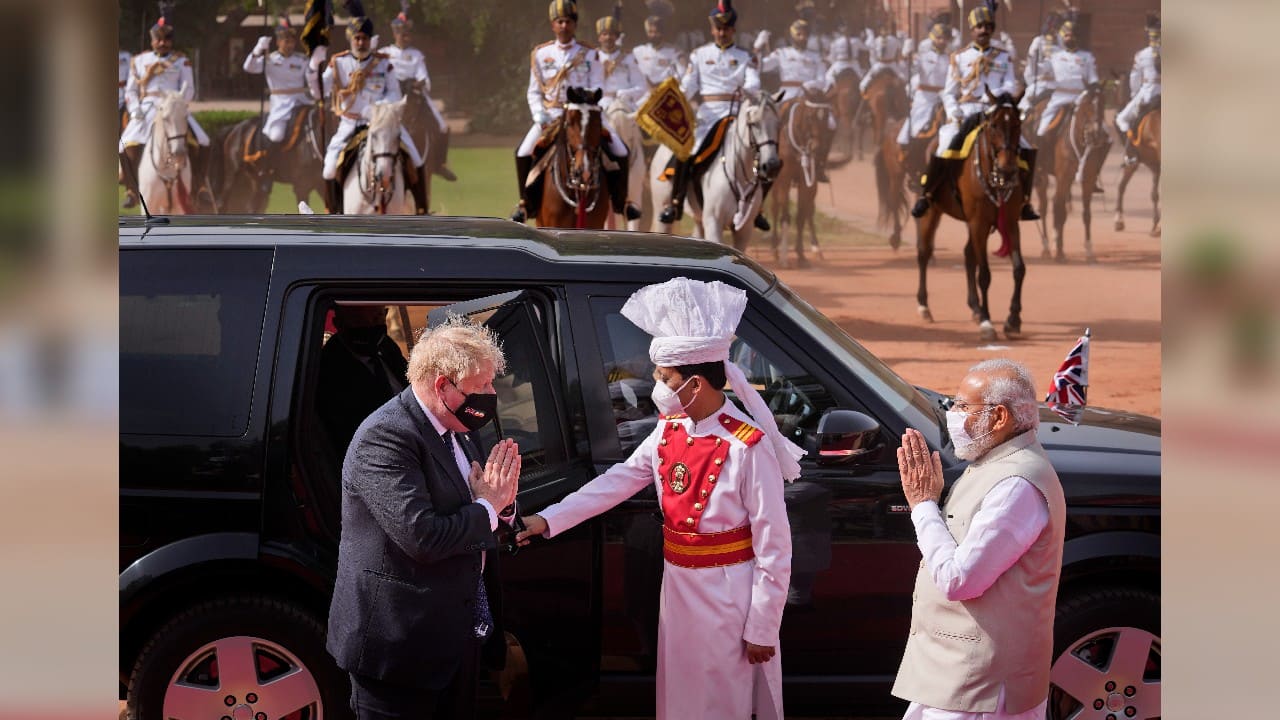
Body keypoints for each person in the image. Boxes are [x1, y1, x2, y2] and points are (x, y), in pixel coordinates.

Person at [516, 276, 798, 720]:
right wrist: (549, 519)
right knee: (677, 699)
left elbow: (774, 546)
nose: (655, 384)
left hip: (729, 596)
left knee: (721, 700)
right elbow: (619, 480)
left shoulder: (747, 444)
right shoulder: (669, 429)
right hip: (678, 588)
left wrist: (763, 624)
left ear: (696, 384)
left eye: (665, 377)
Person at [327, 316, 521, 720]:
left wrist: (501, 506)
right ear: (442, 385)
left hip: (455, 640)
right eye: (481, 385)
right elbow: (423, 536)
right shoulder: (385, 437)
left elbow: (481, 501)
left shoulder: (461, 425)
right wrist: (489, 507)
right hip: (399, 651)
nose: (491, 394)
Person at [892, 358, 1065, 720]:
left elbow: (960, 579)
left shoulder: (1017, 484)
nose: (953, 415)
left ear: (999, 418)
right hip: (956, 675)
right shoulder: (995, 463)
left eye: (962, 406)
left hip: (982, 689)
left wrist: (923, 505)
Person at [510, 0, 638, 224]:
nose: (564, 26)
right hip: (551, 116)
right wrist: (538, 114)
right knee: (523, 151)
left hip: (584, 114)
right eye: (560, 22)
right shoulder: (541, 54)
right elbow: (533, 92)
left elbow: (598, 85)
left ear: (575, 25)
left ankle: (622, 202)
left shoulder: (589, 54)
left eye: (568, 21)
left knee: (620, 150)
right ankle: (525, 204)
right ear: (553, 25)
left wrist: (582, 102)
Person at [909, 2, 1039, 221]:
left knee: (1026, 147)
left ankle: (1024, 200)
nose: (983, 30)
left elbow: (1010, 85)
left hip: (994, 110)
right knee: (943, 145)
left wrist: (995, 95)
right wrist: (953, 112)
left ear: (992, 29)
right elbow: (949, 92)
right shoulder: (959, 57)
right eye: (979, 26)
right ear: (972, 30)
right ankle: (928, 194)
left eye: (988, 26)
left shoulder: (1002, 57)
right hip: (967, 111)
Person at [658, 0, 771, 231]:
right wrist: (678, 92)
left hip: (737, 114)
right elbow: (690, 85)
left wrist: (747, 89)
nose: (722, 33)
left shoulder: (745, 56)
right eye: (718, 29)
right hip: (707, 117)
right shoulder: (699, 55)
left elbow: (754, 82)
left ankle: (757, 208)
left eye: (726, 29)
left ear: (733, 30)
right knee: (686, 149)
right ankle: (676, 202)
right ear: (712, 29)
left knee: (766, 153)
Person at [320, 14, 427, 215]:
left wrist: (377, 108)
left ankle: (422, 208)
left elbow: (394, 92)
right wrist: (313, 68)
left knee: (416, 157)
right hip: (350, 124)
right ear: (351, 39)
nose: (361, 43)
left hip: (381, 122)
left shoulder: (383, 64)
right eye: (357, 38)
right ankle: (331, 212)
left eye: (365, 39)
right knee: (329, 168)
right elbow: (319, 90)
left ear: (370, 40)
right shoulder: (339, 63)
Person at [119, 10, 212, 209]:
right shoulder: (139, 61)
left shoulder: (181, 61)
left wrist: (177, 103)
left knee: (203, 141)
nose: (162, 43)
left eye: (166, 40)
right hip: (146, 109)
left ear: (171, 41)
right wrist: (135, 109)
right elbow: (131, 90)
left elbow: (190, 89)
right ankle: (132, 190)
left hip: (174, 108)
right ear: (152, 41)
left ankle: (200, 185)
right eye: (158, 40)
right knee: (124, 146)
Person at [317, 305, 408, 456]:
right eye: (359, 319)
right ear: (338, 323)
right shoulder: (330, 369)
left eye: (376, 318)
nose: (369, 326)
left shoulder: (385, 346)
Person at [381, 9, 458, 184]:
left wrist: (414, 84)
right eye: (402, 33)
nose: (406, 37)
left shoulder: (416, 55)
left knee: (442, 125)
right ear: (395, 34)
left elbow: (424, 79)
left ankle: (439, 163)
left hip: (414, 94)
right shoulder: (385, 53)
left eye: (407, 33)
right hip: (391, 96)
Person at [754, 19, 834, 181]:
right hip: (787, 94)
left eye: (805, 34)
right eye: (799, 34)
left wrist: (811, 84)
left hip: (809, 96)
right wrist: (758, 47)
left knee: (831, 123)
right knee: (765, 119)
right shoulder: (781, 53)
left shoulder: (815, 56)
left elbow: (822, 78)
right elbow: (760, 66)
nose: (802, 37)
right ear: (792, 36)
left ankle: (820, 164)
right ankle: (763, 160)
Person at [242, 17, 314, 179]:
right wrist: (258, 49)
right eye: (285, 40)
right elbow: (249, 67)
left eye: (291, 40)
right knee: (276, 135)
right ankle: (269, 168)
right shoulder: (270, 60)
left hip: (301, 100)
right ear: (278, 42)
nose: (289, 43)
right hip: (281, 104)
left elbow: (312, 78)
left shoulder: (302, 60)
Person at [1033, 19, 1098, 144]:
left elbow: (1093, 79)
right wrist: (1038, 57)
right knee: (1043, 125)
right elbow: (1042, 69)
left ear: (1077, 38)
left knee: (1099, 127)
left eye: (1072, 35)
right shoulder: (1055, 56)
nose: (1069, 38)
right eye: (1066, 35)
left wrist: (1094, 89)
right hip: (1060, 97)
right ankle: (1040, 149)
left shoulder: (1087, 57)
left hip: (1080, 97)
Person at [896, 18, 951, 151]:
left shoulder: (950, 58)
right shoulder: (922, 56)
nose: (942, 41)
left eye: (945, 38)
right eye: (939, 38)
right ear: (933, 38)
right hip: (926, 97)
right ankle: (904, 144)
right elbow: (904, 69)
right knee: (917, 119)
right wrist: (905, 55)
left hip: (945, 96)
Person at [1116, 13, 1161, 164]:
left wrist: (1134, 95)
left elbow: (1134, 78)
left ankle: (1130, 153)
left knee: (1121, 119)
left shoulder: (1141, 55)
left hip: (1148, 93)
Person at [632, 0, 686, 98]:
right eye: (650, 32)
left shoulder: (674, 52)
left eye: (656, 32)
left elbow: (682, 74)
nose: (653, 35)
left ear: (662, 32)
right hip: (645, 95)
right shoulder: (638, 51)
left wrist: (665, 86)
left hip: (667, 93)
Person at [1020, 11, 1063, 115]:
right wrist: (1033, 55)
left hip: (1057, 83)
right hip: (1041, 83)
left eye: (1056, 28)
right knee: (1024, 104)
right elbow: (1031, 63)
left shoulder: (1060, 42)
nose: (1054, 30)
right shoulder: (1038, 41)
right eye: (1052, 27)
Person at [858, 20, 907, 96]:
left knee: (863, 85)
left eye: (884, 29)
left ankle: (865, 98)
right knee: (904, 79)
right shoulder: (895, 40)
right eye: (883, 29)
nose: (884, 31)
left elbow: (872, 56)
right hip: (891, 65)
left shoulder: (875, 41)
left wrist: (874, 65)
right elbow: (900, 54)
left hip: (880, 65)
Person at [119, 48, 135, 208]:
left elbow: (135, 81)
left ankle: (131, 190)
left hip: (124, 103)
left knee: (125, 146)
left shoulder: (127, 57)